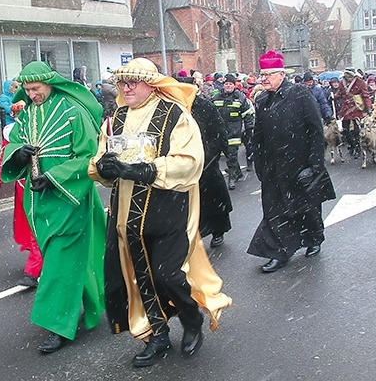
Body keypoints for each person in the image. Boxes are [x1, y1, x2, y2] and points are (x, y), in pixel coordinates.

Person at [88, 57, 232, 368]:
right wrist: (104, 168)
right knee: (140, 277)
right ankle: (157, 335)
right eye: (121, 83)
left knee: (168, 275)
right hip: (128, 212)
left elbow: (189, 161)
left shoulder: (174, 115)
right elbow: (102, 160)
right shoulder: (116, 117)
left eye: (132, 83)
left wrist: (144, 170)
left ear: (150, 85)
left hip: (167, 208)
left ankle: (191, 319)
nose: (125, 88)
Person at [0, 61, 106, 353]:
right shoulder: (28, 115)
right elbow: (14, 144)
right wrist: (18, 154)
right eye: (28, 89)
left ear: (50, 83)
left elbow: (89, 155)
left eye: (36, 89)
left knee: (59, 263)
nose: (31, 94)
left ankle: (57, 324)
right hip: (37, 202)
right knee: (66, 261)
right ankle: (94, 299)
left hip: (69, 197)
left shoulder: (73, 112)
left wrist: (56, 177)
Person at [248, 50, 336, 273]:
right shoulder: (262, 100)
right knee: (274, 210)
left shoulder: (300, 94)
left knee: (307, 209)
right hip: (273, 167)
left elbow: (316, 131)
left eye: (268, 74)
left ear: (280, 74)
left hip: (299, 165)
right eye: (261, 74)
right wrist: (258, 160)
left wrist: (315, 167)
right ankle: (279, 252)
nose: (263, 79)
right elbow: (258, 135)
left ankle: (314, 238)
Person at [0, 101, 43, 288]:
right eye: (16, 114)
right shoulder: (12, 133)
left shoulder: (45, 127)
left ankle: (33, 270)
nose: (19, 117)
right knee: (31, 226)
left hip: (46, 185)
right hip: (23, 187)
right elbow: (4, 159)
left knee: (40, 227)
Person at [174, 73, 233, 248]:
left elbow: (219, 132)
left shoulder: (205, 106)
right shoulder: (174, 108)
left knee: (213, 198)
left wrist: (211, 154)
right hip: (183, 163)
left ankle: (218, 230)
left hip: (207, 161)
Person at [212, 73, 254, 190]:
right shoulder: (216, 97)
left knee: (231, 156)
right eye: (226, 84)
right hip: (221, 133)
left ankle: (232, 179)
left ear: (234, 85)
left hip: (234, 132)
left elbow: (248, 115)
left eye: (230, 84)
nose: (228, 86)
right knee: (228, 155)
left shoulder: (240, 98)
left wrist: (249, 130)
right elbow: (211, 114)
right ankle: (238, 173)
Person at [335, 68, 373, 158]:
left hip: (357, 109)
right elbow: (339, 94)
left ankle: (358, 148)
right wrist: (334, 97)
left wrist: (368, 107)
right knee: (345, 130)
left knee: (356, 130)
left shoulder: (360, 83)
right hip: (346, 110)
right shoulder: (342, 83)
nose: (349, 78)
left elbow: (365, 95)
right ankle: (351, 146)